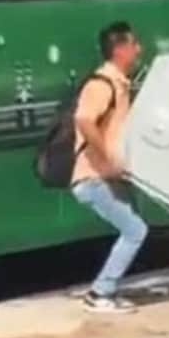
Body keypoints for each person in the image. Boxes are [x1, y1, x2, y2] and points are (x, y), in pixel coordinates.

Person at [71, 21, 148, 314]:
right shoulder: (101, 84)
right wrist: (108, 158)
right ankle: (100, 292)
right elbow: (84, 120)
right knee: (135, 231)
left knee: (134, 229)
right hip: (92, 178)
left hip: (106, 177)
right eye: (133, 44)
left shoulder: (119, 83)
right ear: (119, 50)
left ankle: (107, 290)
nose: (138, 49)